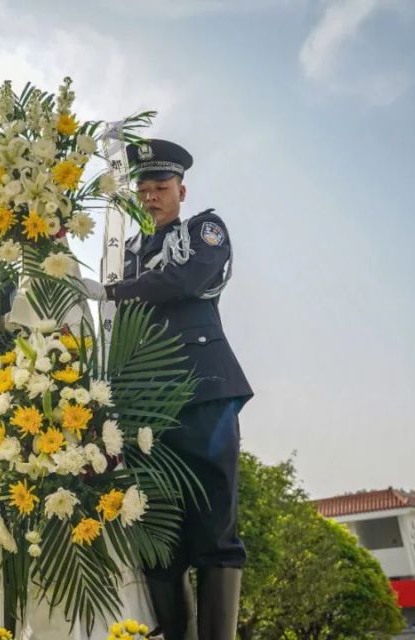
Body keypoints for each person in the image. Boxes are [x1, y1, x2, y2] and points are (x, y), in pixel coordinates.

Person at [83, 139, 253, 640]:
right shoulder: (125, 255)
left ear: (181, 189)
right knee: (159, 542)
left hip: (203, 397)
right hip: (143, 411)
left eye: (160, 187)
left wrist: (111, 291)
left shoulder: (204, 231)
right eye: (143, 190)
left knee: (216, 531)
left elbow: (186, 279)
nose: (151, 196)